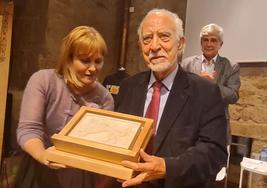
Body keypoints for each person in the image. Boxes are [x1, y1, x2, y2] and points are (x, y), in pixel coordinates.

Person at [115, 9, 228, 188]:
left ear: (180, 43)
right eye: (147, 39)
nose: (154, 46)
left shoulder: (205, 92)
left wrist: (167, 167)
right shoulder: (128, 87)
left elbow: (215, 153)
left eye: (164, 36)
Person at [15, 26, 114, 188]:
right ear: (68, 59)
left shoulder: (105, 98)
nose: (93, 68)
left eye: (98, 61)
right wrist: (43, 155)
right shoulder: (43, 80)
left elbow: (101, 147)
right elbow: (28, 130)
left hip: (79, 176)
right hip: (40, 169)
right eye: (85, 60)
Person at [181, 23, 241, 144]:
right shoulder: (186, 64)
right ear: (201, 43)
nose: (209, 44)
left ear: (220, 44)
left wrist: (211, 85)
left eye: (213, 40)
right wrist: (197, 83)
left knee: (215, 161)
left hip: (217, 122)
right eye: (205, 40)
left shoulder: (231, 66)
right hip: (189, 123)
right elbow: (178, 92)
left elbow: (233, 96)